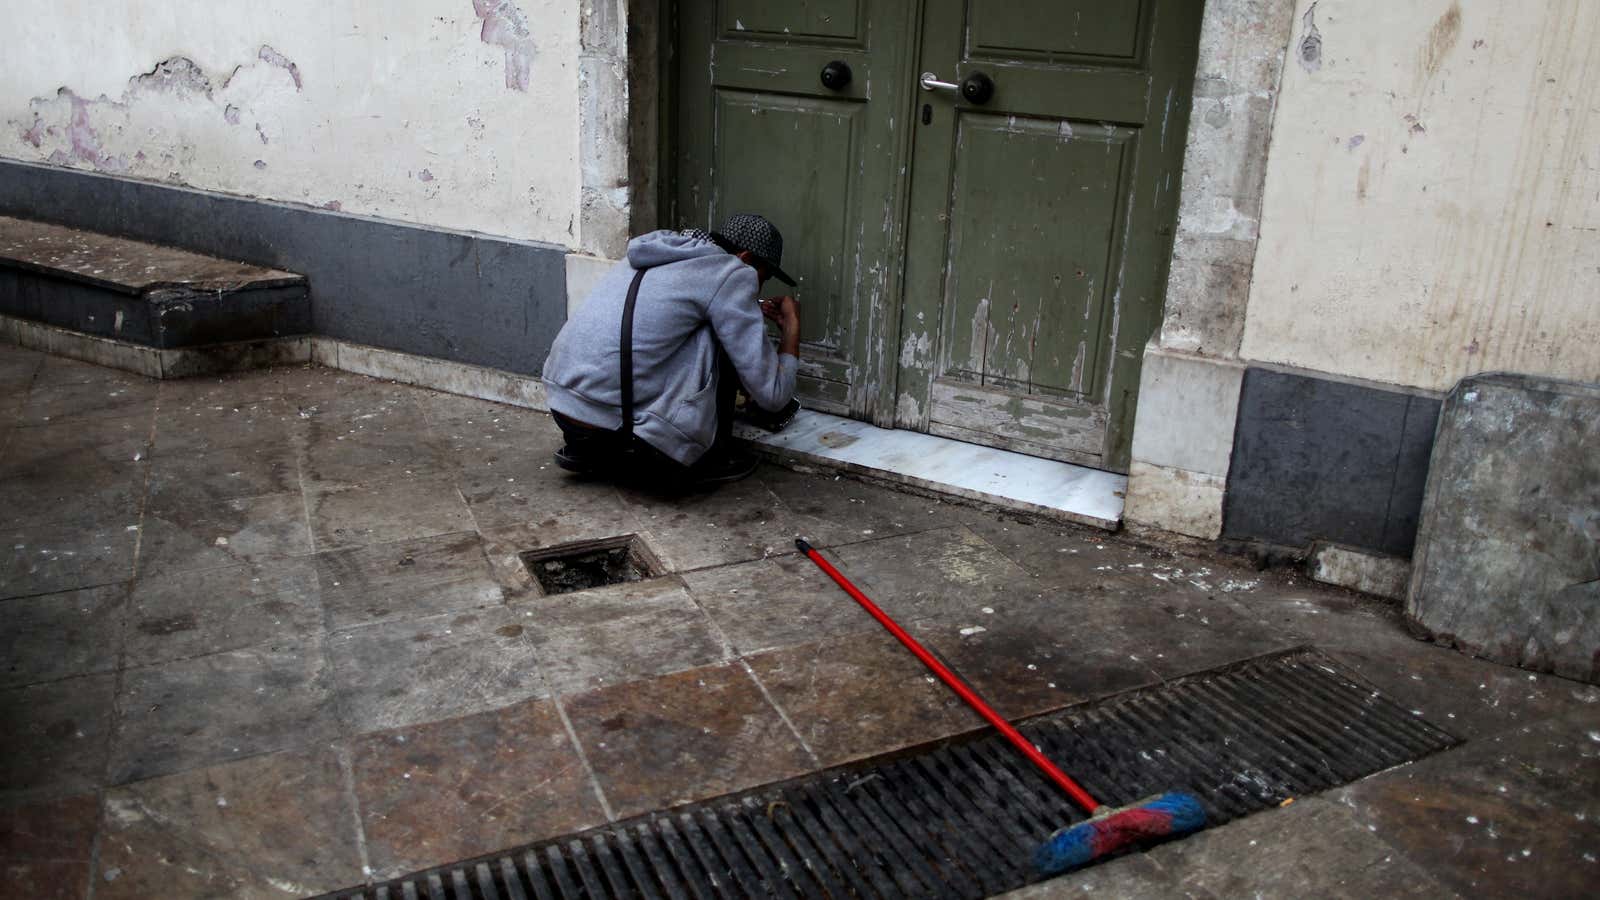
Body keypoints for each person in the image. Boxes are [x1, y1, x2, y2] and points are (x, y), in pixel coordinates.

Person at [541, 213, 802, 487]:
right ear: (745, 259)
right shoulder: (732, 273)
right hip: (625, 432)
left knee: (689, 327)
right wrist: (791, 330)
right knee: (720, 335)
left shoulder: (651, 253)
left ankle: (598, 452)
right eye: (765, 275)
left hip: (566, 412)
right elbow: (773, 396)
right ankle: (713, 456)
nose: (761, 285)